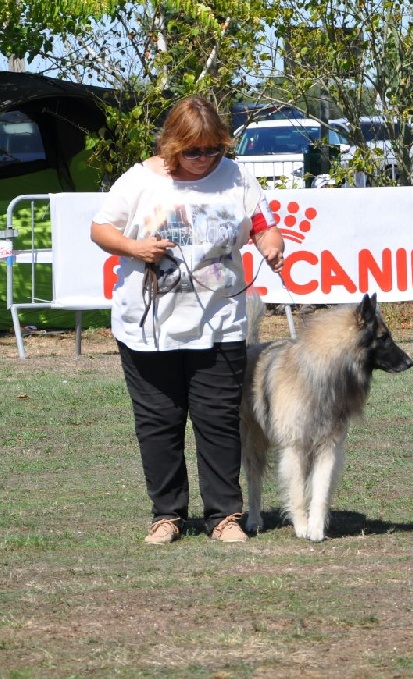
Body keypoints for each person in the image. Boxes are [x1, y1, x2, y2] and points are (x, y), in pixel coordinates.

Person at [90, 96, 285, 544]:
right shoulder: (140, 181)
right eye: (194, 151)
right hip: (148, 325)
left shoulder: (236, 176)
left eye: (213, 149)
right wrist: (135, 248)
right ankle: (167, 515)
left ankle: (224, 516)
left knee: (217, 420)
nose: (205, 159)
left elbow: (262, 222)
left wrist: (270, 244)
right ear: (173, 145)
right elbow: (101, 229)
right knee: (159, 420)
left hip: (221, 322)